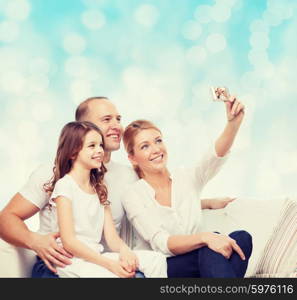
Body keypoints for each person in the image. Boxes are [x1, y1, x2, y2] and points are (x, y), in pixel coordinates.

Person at [0, 96, 238, 277]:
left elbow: (153, 202)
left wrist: (203, 203)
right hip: (60, 267)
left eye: (118, 119)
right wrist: (34, 241)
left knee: (182, 259)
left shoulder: (127, 177)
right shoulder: (53, 174)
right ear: (82, 129)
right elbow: (6, 218)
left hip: (104, 264)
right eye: (106, 120)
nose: (116, 125)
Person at [122, 96, 253, 277]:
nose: (156, 150)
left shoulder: (186, 178)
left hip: (201, 260)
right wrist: (205, 237)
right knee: (211, 245)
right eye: (145, 146)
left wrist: (233, 124)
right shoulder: (133, 195)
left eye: (158, 141)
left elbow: (213, 158)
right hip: (164, 267)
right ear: (133, 158)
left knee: (242, 238)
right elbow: (162, 243)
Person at [39, 120, 167, 277]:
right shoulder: (65, 186)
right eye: (92, 146)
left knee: (157, 260)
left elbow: (112, 238)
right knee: (114, 275)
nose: (99, 150)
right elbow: (69, 242)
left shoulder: (99, 188)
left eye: (100, 145)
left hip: (95, 257)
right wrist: (109, 264)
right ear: (73, 153)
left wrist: (125, 251)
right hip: (71, 261)